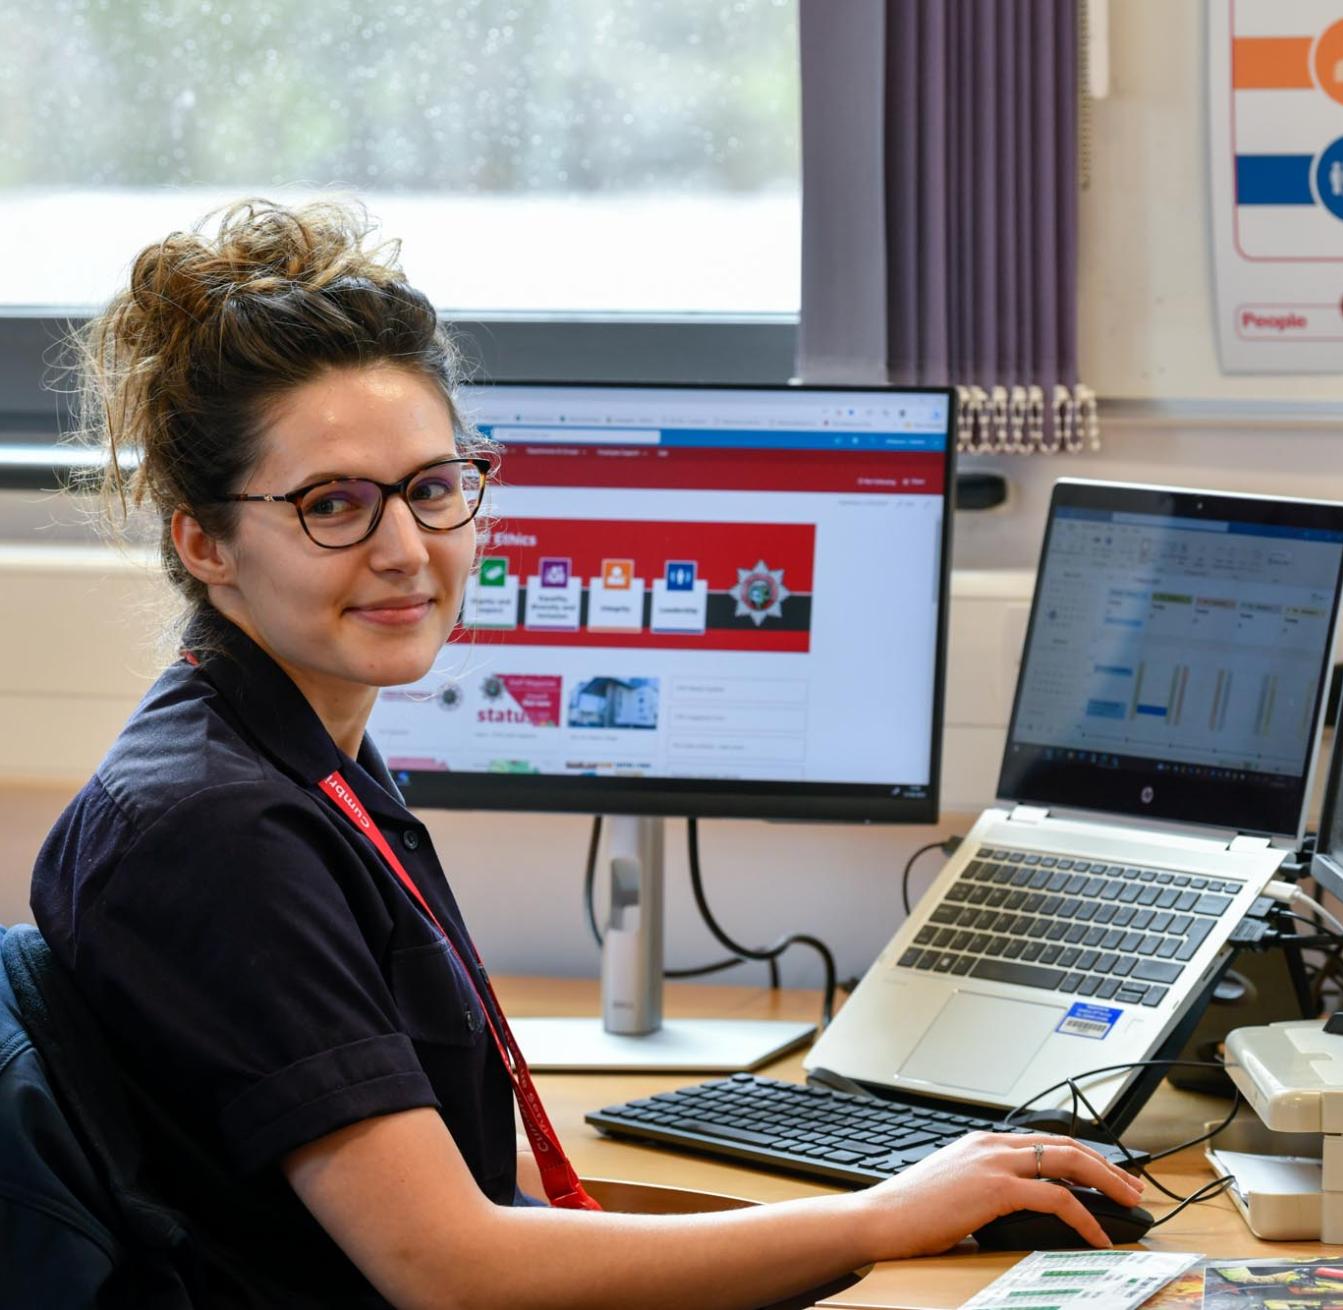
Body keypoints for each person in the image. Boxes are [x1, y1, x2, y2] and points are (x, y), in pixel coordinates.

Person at [30, 199, 1145, 1308]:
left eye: (431, 487)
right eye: (335, 505)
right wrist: (872, 1215)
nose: (409, 550)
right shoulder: (218, 827)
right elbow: (450, 1268)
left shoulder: (297, 755)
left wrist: (853, 1212)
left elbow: (449, 1176)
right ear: (203, 540)